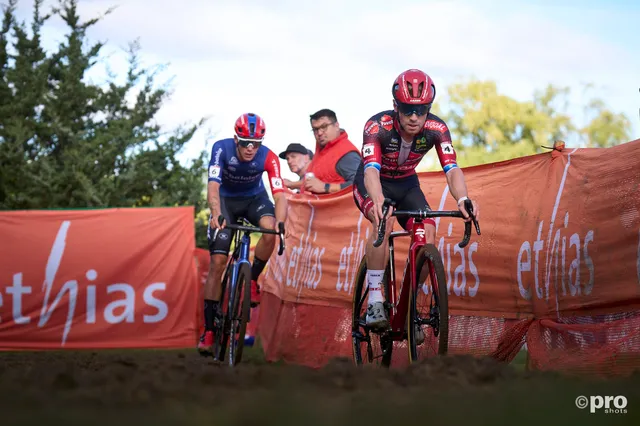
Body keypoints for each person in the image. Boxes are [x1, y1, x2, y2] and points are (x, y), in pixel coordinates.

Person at [352, 69, 480, 330]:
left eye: (421, 110)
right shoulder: (377, 126)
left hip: (407, 184)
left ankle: (410, 305)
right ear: (395, 106)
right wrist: (377, 200)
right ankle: (375, 298)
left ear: (429, 109)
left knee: (428, 230)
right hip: (373, 182)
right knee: (383, 221)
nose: (414, 117)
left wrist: (463, 198)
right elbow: (371, 172)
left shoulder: (437, 128)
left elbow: (452, 169)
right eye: (407, 109)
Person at [198, 112, 287, 356]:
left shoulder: (268, 156)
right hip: (226, 202)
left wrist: (281, 222)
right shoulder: (221, 149)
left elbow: (279, 195)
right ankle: (208, 330)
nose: (250, 149)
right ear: (236, 139)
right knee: (217, 263)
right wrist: (216, 212)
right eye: (246, 143)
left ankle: (253, 279)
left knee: (270, 231)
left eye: (255, 144)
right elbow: (213, 186)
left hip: (254, 200)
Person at [302, 109, 361, 194]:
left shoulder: (346, 154)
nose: (319, 133)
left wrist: (325, 187)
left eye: (324, 127)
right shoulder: (321, 152)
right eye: (315, 129)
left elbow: (361, 184)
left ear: (336, 126)